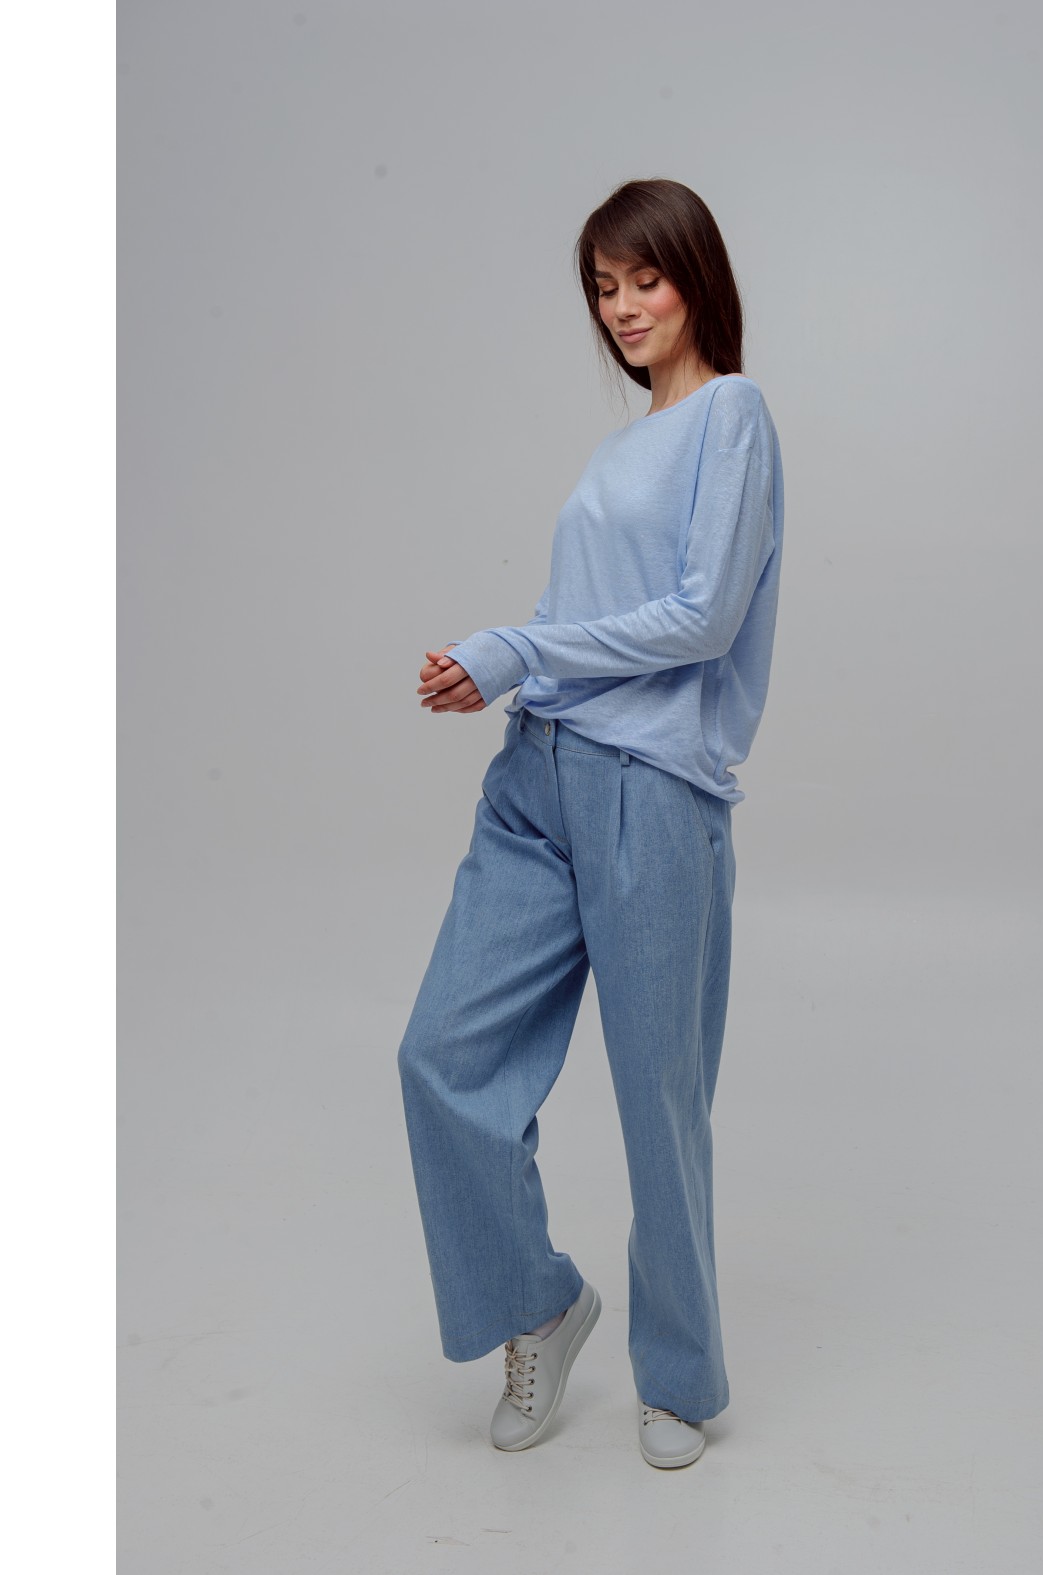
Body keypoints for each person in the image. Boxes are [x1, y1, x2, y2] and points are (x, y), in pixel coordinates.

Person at [396, 177, 785, 1470]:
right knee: (443, 1057)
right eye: (603, 288)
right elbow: (583, 623)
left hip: (650, 792)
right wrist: (497, 664)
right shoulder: (619, 447)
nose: (621, 308)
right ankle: (540, 1306)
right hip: (538, 774)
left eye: (644, 280)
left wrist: (521, 646)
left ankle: (677, 1376)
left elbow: (703, 619)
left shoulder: (732, 415)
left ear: (696, 278)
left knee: (657, 1099)